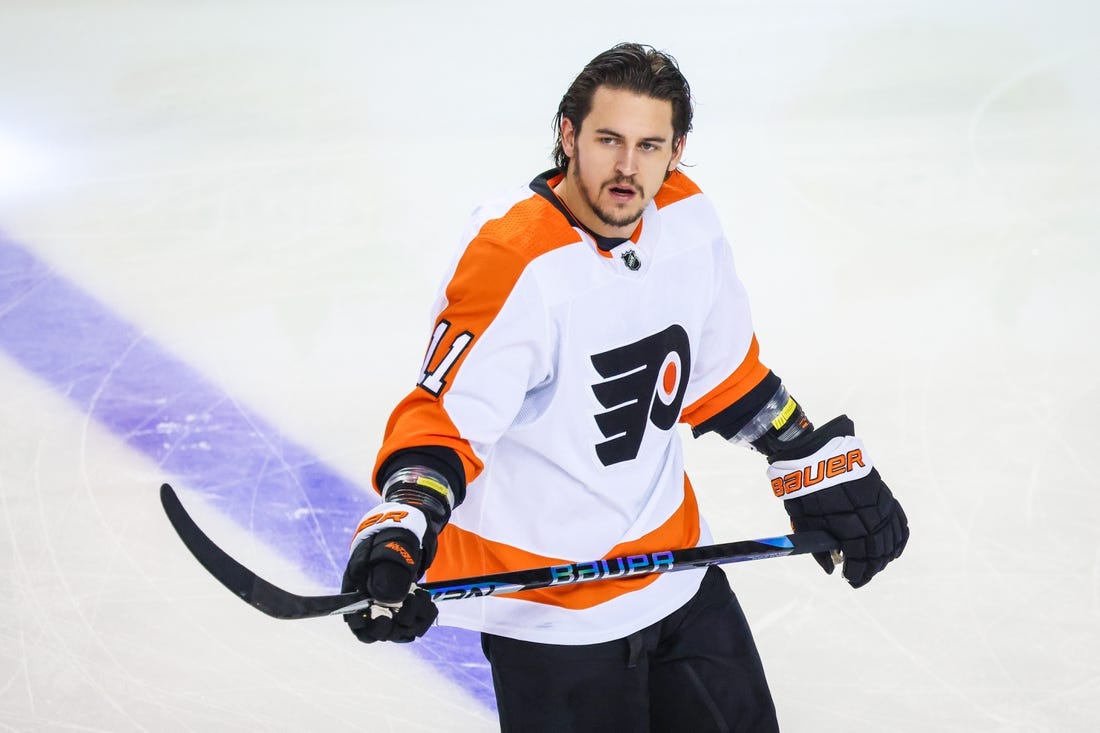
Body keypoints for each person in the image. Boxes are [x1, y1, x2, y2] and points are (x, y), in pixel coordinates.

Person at [341, 42, 909, 732]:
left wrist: (802, 452)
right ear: (568, 135)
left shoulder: (687, 219)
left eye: (649, 145)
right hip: (552, 619)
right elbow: (444, 423)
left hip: (677, 575)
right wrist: (405, 519)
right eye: (608, 139)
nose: (626, 167)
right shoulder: (513, 259)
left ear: (677, 149)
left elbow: (724, 374)